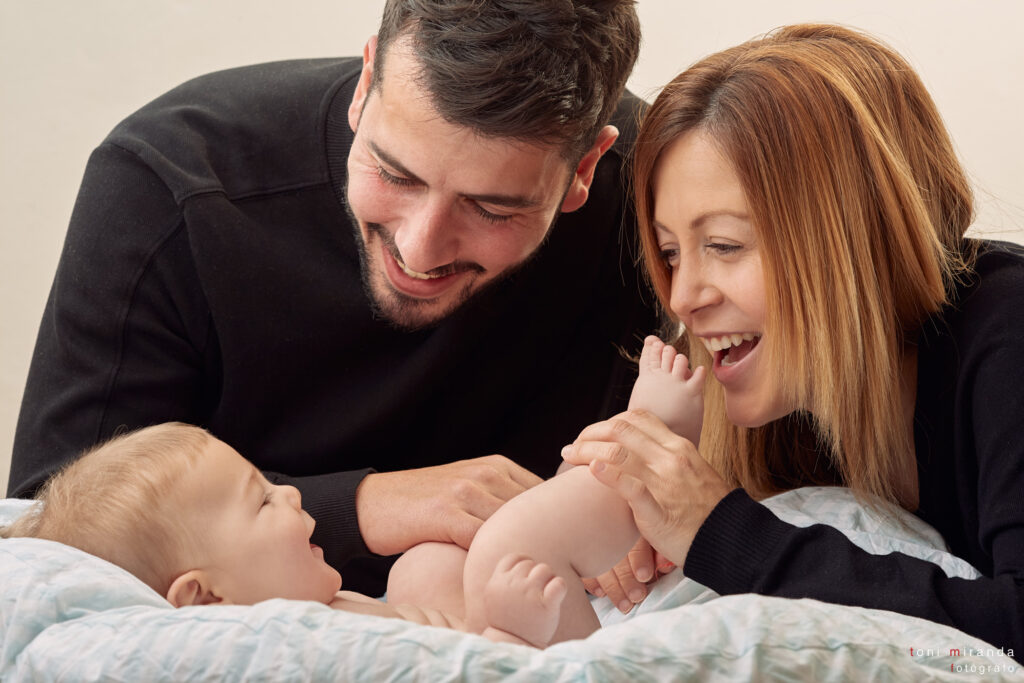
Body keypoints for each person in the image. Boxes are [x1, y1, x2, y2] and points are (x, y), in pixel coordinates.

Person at [8, 0, 659, 598]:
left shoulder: (648, 191)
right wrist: (368, 506)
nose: (420, 249)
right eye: (394, 173)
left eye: (491, 208)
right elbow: (51, 543)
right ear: (366, 81)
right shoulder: (168, 185)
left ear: (585, 168)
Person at [563, 23, 1024, 656]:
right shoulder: (779, 399)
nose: (682, 297)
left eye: (723, 245)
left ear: (851, 236)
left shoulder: (1009, 334)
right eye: (671, 252)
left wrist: (725, 534)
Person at [2, 335, 705, 648]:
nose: (295, 498)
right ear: (205, 597)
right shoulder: (299, 645)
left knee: (424, 564)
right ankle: (644, 441)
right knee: (502, 547)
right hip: (540, 647)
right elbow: (466, 670)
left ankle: (618, 473)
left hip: (512, 623)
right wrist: (512, 629)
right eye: (262, 500)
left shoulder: (326, 610)